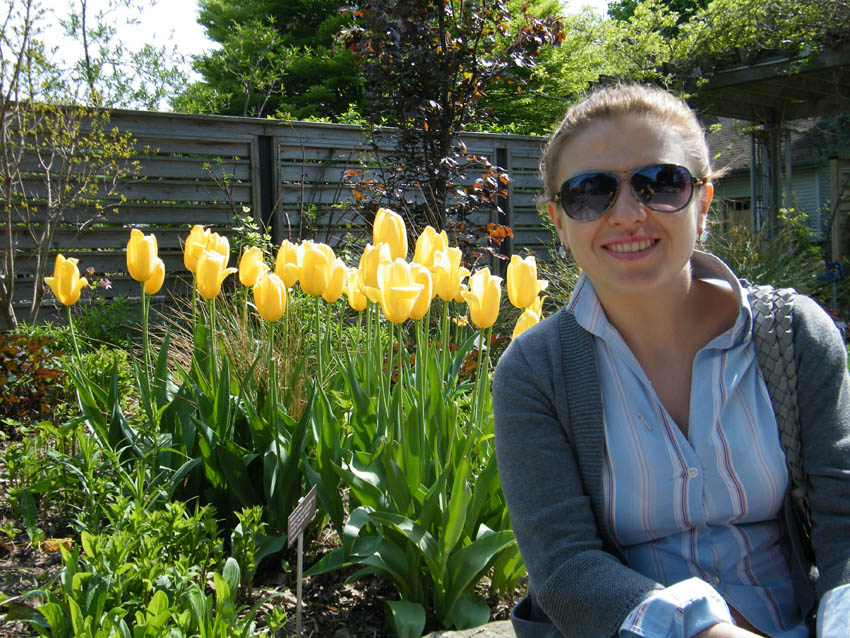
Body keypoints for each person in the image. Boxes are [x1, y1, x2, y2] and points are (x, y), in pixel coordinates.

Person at [492, 83, 850, 638]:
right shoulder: (537, 372)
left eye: (660, 183)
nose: (627, 214)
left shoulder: (793, 336)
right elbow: (565, 568)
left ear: (702, 202)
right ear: (559, 222)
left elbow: (844, 525)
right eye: (589, 193)